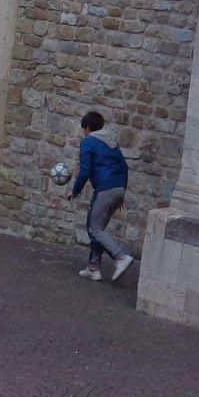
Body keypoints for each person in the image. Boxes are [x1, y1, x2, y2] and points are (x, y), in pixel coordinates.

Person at [70, 110, 133, 282]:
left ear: (87, 128)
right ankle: (94, 268)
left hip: (105, 188)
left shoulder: (88, 142)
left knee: (94, 228)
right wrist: (122, 192)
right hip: (118, 187)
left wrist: (74, 191)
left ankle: (121, 257)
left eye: (83, 129)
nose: (83, 133)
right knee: (98, 228)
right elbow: (124, 166)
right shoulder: (111, 142)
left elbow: (85, 171)